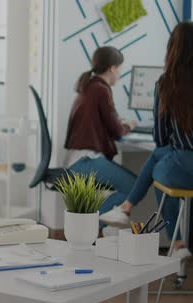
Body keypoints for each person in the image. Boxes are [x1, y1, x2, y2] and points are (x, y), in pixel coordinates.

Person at [98, 22, 193, 255]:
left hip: (184, 165)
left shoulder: (167, 83)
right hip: (183, 162)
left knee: (159, 165)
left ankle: (176, 241)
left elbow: (160, 138)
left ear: (173, 49)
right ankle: (180, 243)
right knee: (163, 158)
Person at [64, 46, 138, 226]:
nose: (119, 73)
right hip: (86, 161)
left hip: (78, 158)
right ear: (112, 68)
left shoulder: (90, 86)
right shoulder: (101, 90)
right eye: (119, 69)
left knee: (132, 185)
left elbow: (104, 121)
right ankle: (87, 226)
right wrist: (129, 124)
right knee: (135, 187)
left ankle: (88, 226)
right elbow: (118, 131)